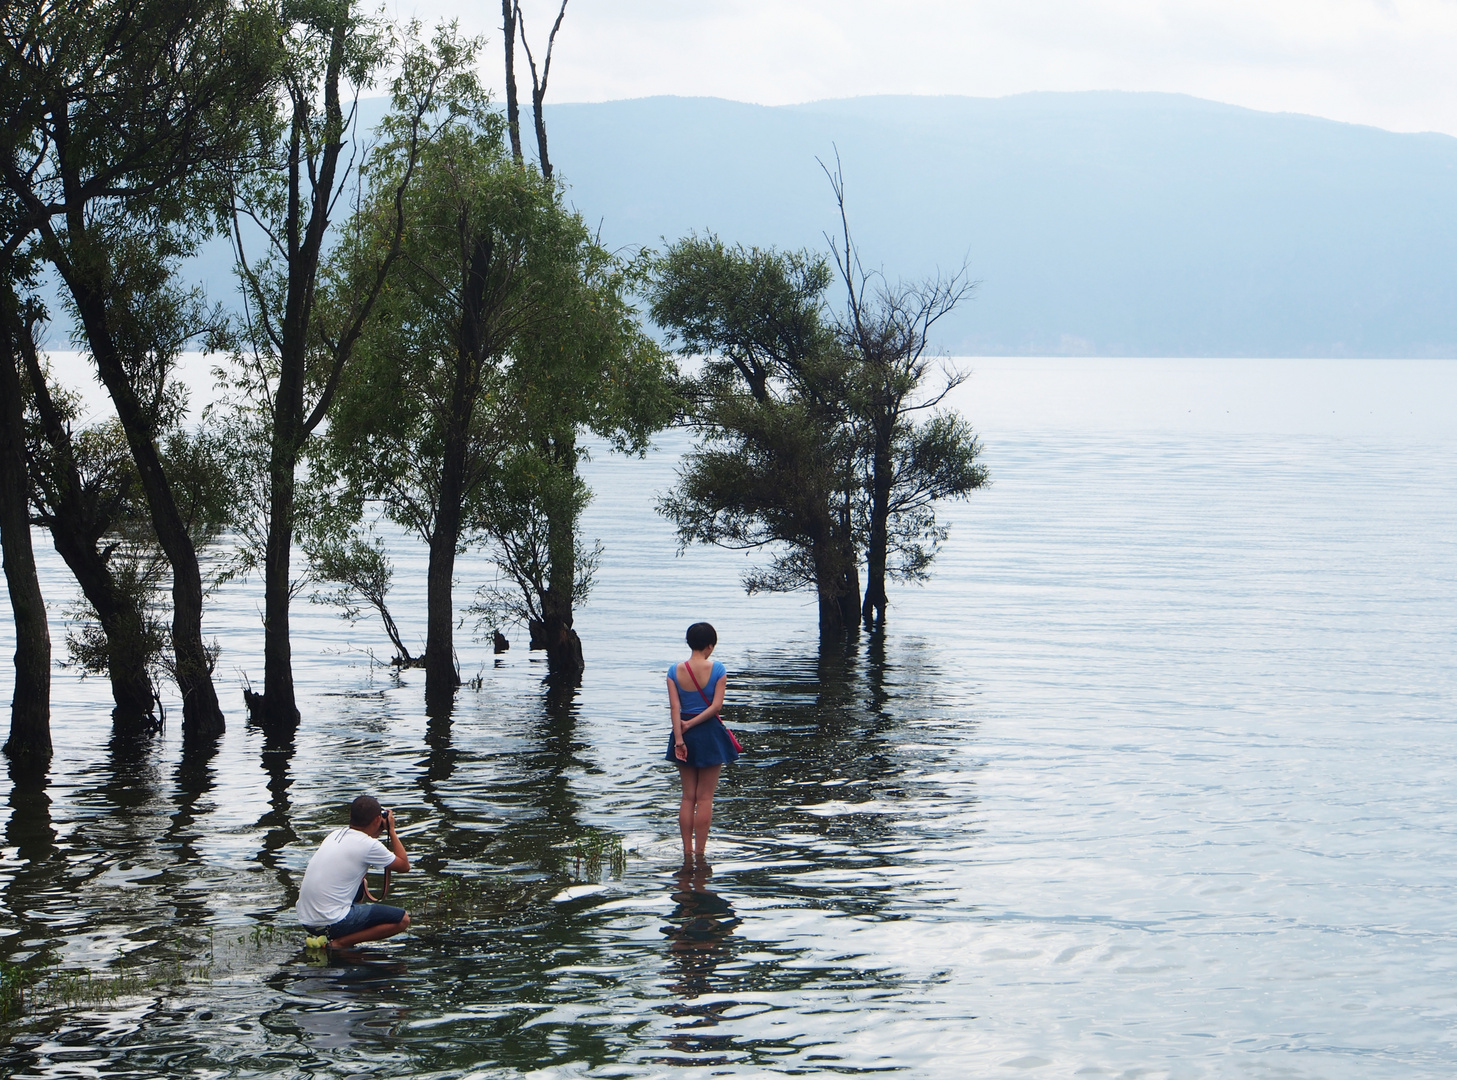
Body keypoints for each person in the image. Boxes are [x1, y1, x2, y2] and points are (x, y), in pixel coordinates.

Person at [665, 622, 739, 865]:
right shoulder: (717, 669)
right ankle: (700, 853)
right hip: (708, 733)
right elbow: (716, 707)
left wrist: (679, 736)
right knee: (705, 797)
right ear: (710, 645)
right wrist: (693, 724)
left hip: (682, 733)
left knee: (688, 797)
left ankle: (686, 853)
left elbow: (675, 707)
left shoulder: (674, 671)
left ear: (689, 643)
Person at [296, 795, 411, 948]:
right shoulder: (368, 845)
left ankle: (333, 937)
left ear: (350, 816)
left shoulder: (335, 834)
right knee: (402, 919)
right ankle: (339, 943)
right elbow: (404, 866)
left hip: (307, 920)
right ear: (377, 820)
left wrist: (379, 828)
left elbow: (363, 843)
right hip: (330, 923)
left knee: (362, 884)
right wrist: (392, 831)